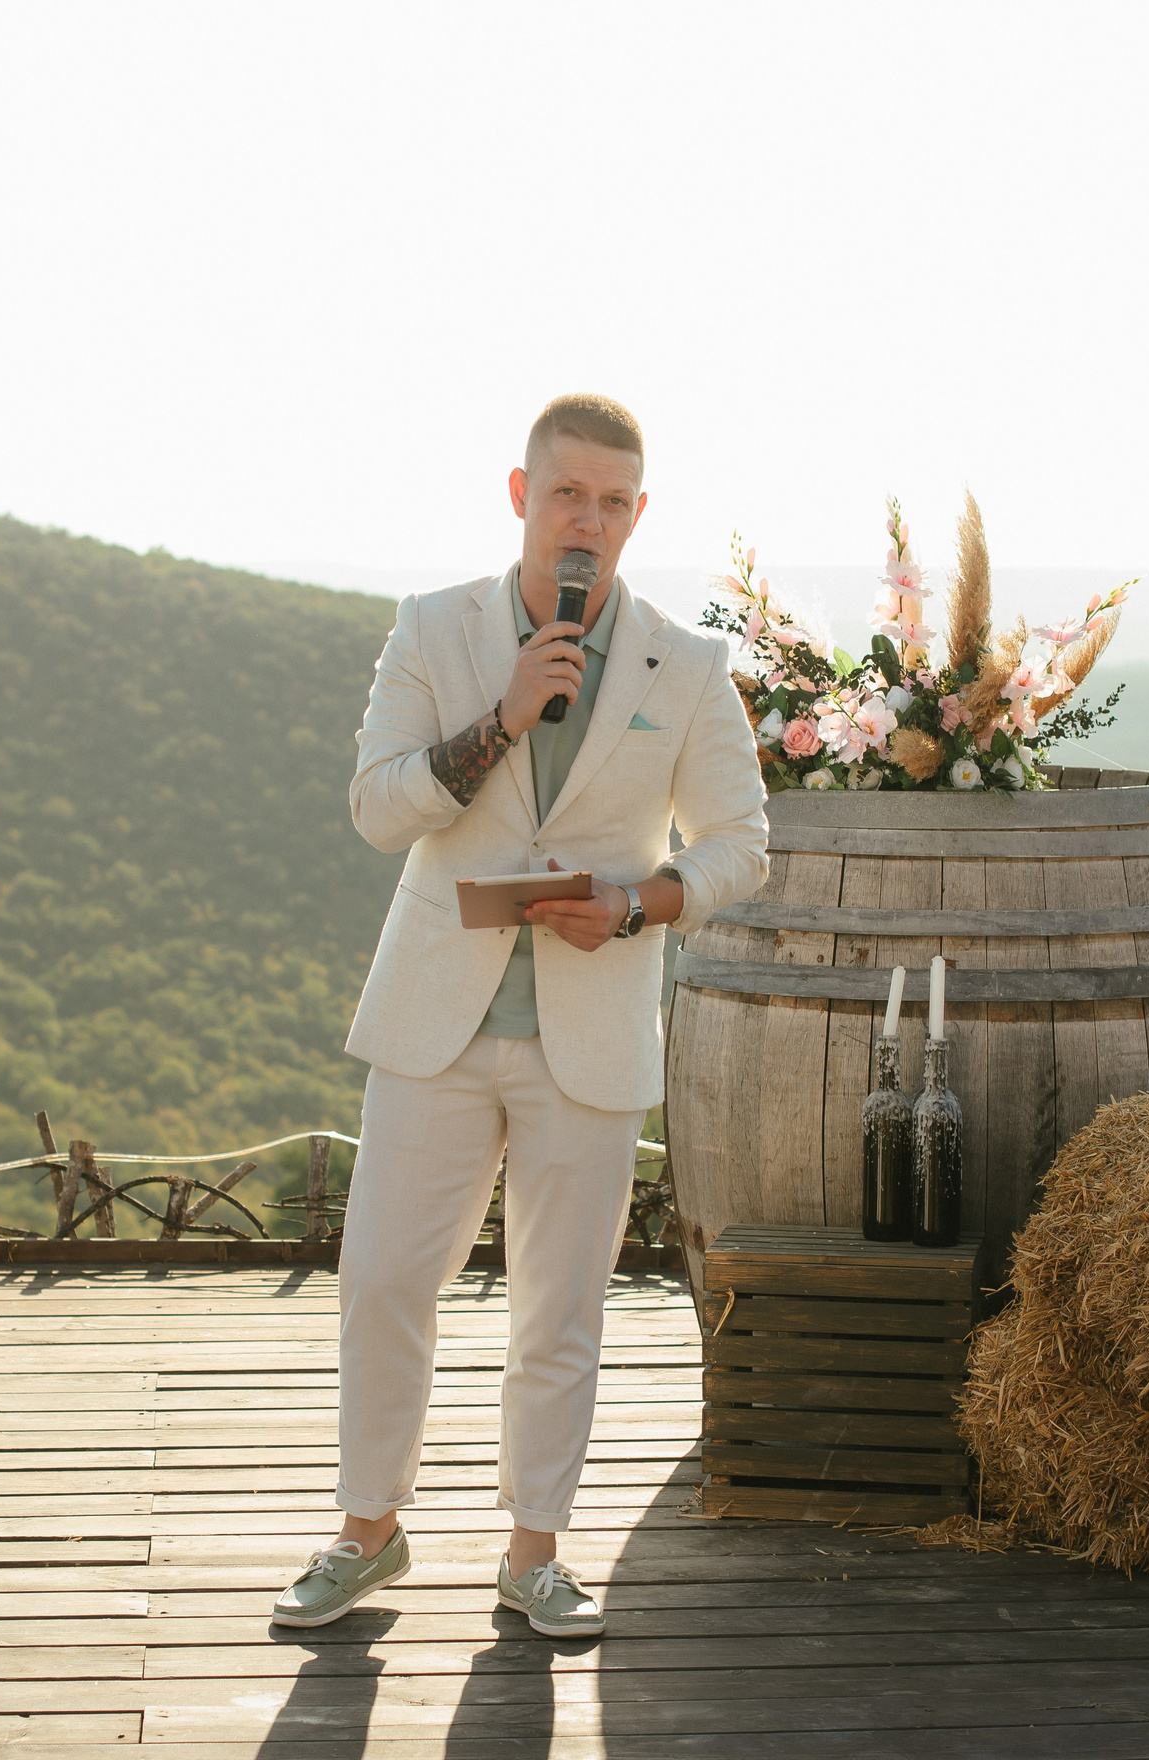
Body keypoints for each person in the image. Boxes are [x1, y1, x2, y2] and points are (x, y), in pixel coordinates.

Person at [275, 394, 768, 1637]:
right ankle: (366, 1528)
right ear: (520, 495)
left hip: (588, 1028)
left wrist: (638, 903)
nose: (586, 520)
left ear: (638, 514)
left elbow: (741, 844)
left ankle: (535, 1549)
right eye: (566, 494)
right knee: (384, 1278)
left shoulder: (686, 664)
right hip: (433, 1019)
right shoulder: (432, 626)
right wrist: (500, 716)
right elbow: (378, 809)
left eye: (612, 501)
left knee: (561, 1306)